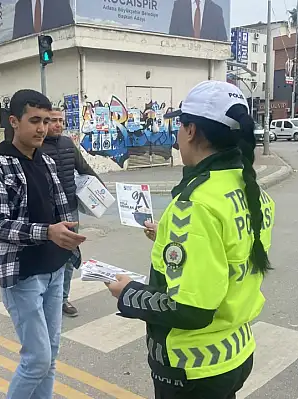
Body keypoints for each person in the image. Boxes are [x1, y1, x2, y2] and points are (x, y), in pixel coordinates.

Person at [105, 81, 276, 398]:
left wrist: (127, 293)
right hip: (235, 352)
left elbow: (190, 310)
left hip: (193, 366)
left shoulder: (196, 203)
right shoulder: (248, 188)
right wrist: (168, 236)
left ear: (192, 130)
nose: (176, 134)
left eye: (179, 124)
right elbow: (228, 253)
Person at [0, 89, 87, 399]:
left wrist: (70, 242)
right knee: (37, 359)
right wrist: (47, 232)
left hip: (55, 269)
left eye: (47, 120)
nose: (42, 128)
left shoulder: (46, 161)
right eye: (34, 121)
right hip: (23, 274)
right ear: (14, 121)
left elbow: (60, 210)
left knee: (49, 358)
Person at [41, 107, 102, 317]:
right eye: (53, 121)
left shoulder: (68, 144)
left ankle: (62, 299)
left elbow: (84, 168)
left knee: (68, 255)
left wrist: (101, 190)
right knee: (46, 256)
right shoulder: (37, 147)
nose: (58, 124)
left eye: (61, 121)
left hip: (70, 210)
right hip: (47, 213)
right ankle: (42, 296)